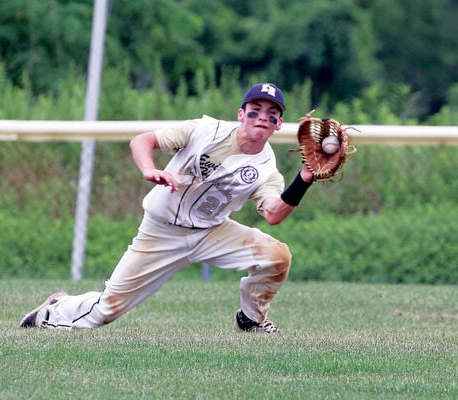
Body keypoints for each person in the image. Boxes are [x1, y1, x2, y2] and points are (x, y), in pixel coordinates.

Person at [20, 83, 314, 333]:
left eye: (271, 114)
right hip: (161, 231)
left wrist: (304, 178)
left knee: (277, 256)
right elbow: (142, 141)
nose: (262, 117)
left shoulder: (266, 169)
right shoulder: (205, 130)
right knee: (104, 311)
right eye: (255, 110)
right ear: (241, 114)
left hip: (211, 232)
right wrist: (149, 169)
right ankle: (53, 311)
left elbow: (273, 213)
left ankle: (251, 320)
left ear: (277, 125)